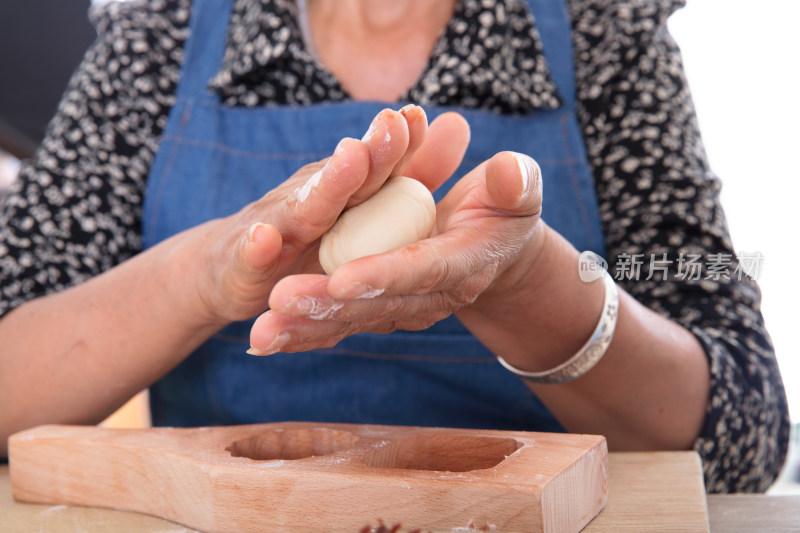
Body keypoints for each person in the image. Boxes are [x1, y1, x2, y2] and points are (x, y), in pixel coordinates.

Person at [0, 0, 789, 494]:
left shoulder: (604, 33)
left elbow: (743, 430)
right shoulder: (156, 45)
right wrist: (207, 274)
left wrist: (530, 288)